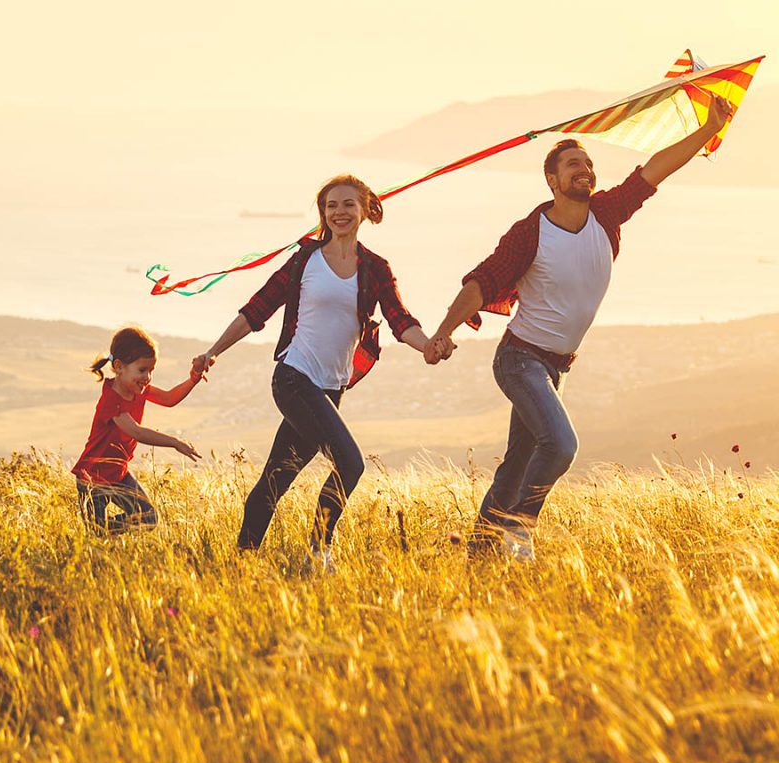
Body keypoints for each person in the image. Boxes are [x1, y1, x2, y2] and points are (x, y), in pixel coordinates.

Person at [425, 95, 734, 561]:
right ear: (552, 180)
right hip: (519, 360)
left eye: (588, 163)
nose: (583, 169)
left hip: (555, 367)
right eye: (572, 164)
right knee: (561, 445)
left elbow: (657, 169)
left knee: (516, 465)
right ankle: (519, 529)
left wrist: (708, 128)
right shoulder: (531, 232)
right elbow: (482, 281)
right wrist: (443, 331)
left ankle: (480, 557)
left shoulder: (606, 214)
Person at [193, 174, 430, 570]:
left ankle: (241, 560)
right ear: (323, 212)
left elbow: (400, 320)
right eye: (331, 205)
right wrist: (213, 352)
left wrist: (430, 346)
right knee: (351, 464)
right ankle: (318, 552)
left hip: (330, 388)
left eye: (348, 204)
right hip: (293, 378)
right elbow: (257, 309)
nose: (339, 212)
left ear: (365, 210)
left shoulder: (375, 268)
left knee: (277, 476)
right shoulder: (306, 259)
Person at [72, 326, 203, 533]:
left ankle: (103, 533)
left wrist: (193, 379)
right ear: (119, 366)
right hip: (92, 480)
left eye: (151, 371)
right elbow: (137, 432)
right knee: (97, 533)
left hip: (118, 474)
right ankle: (100, 534)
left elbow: (169, 399)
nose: (147, 377)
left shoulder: (138, 390)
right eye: (142, 370)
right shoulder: (111, 400)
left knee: (147, 518)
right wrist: (175, 442)